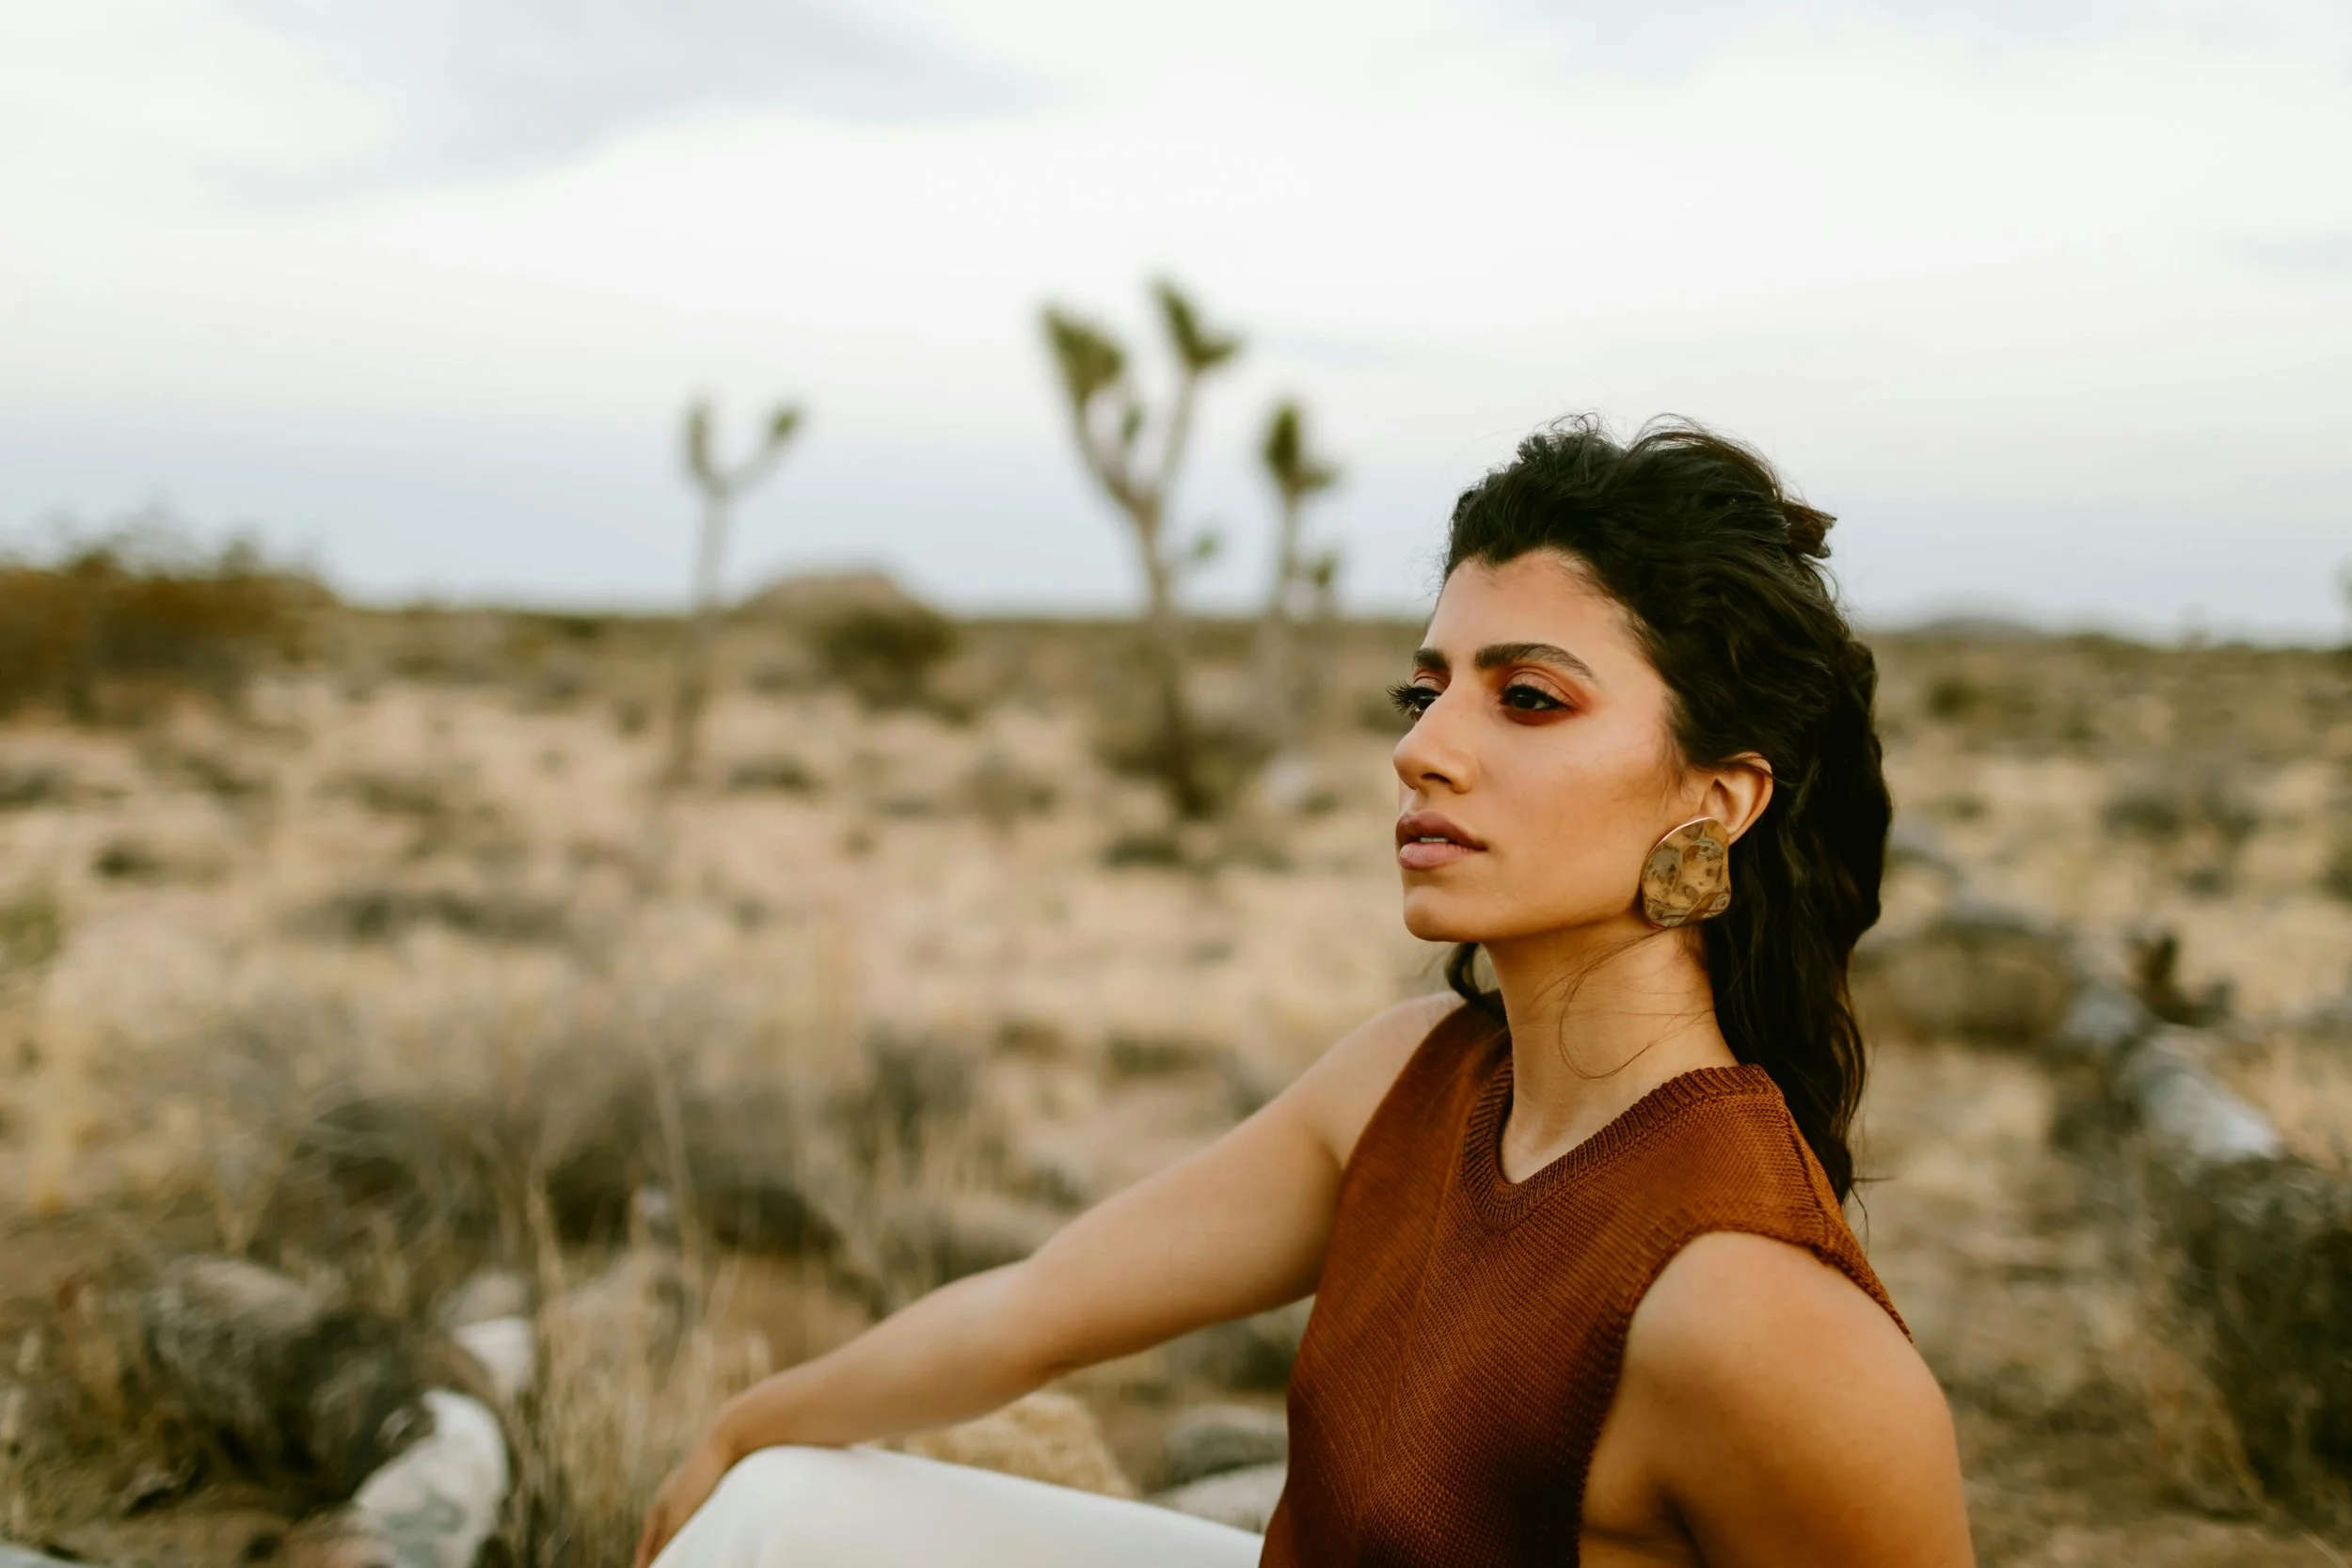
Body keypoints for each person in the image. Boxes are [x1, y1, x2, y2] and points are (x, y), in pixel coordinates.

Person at [634, 418, 1976, 1568]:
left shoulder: (1754, 1313)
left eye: (1527, 699)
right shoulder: (1410, 1078)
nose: (1423, 749)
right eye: (1425, 687)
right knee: (782, 1514)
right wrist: (743, 1426)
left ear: (1718, 797)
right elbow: (1032, 1309)